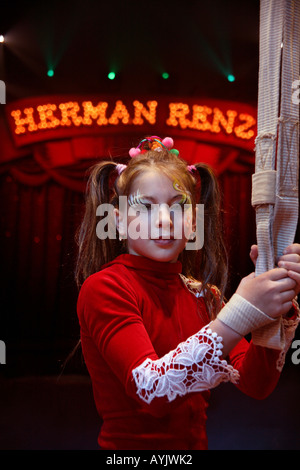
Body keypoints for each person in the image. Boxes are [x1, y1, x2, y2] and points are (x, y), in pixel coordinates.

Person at [75, 136, 300, 450]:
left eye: (179, 207)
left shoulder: (203, 296)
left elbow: (256, 384)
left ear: (194, 222)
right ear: (118, 222)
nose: (165, 221)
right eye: (145, 207)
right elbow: (153, 391)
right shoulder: (106, 287)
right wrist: (242, 310)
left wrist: (272, 309)